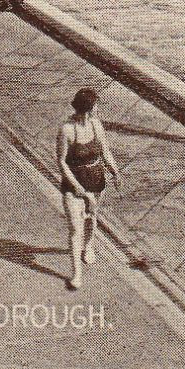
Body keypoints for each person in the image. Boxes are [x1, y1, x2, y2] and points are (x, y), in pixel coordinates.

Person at [58, 87, 121, 290]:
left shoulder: (96, 125)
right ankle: (76, 274)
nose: (97, 110)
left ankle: (89, 245)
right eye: (96, 106)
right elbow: (61, 162)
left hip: (95, 179)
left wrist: (115, 171)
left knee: (92, 218)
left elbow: (105, 151)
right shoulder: (67, 130)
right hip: (74, 183)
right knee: (76, 229)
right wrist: (80, 190)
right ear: (89, 108)